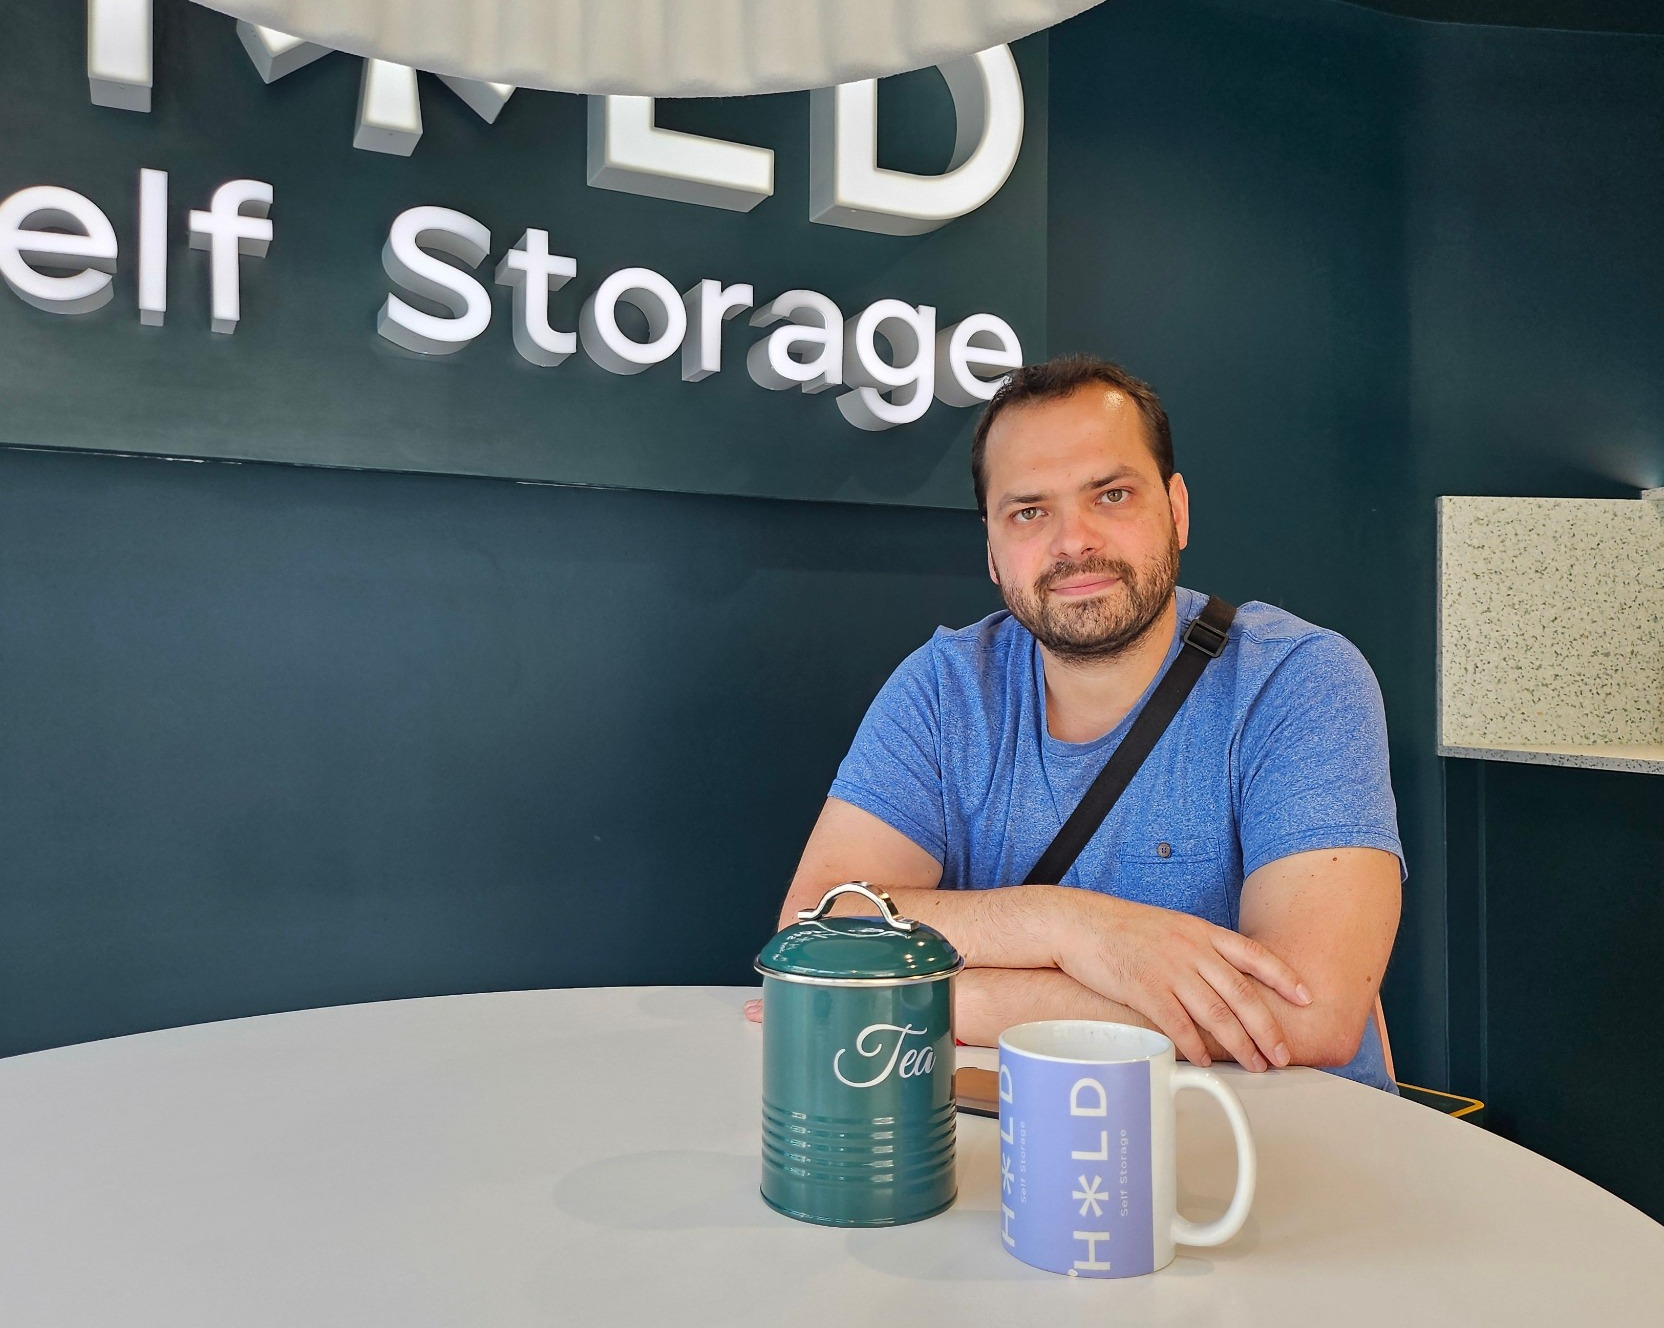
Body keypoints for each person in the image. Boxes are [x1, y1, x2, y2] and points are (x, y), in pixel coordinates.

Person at [745, 355, 1403, 1090]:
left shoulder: (1295, 680)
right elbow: (817, 932)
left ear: (1177, 510)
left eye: (1112, 495)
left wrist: (952, 997)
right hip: (1021, 1156)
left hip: (1283, 1162)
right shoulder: (944, 689)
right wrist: (1072, 929)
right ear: (992, 551)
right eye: (1030, 511)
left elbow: (1307, 1015)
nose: (1073, 541)